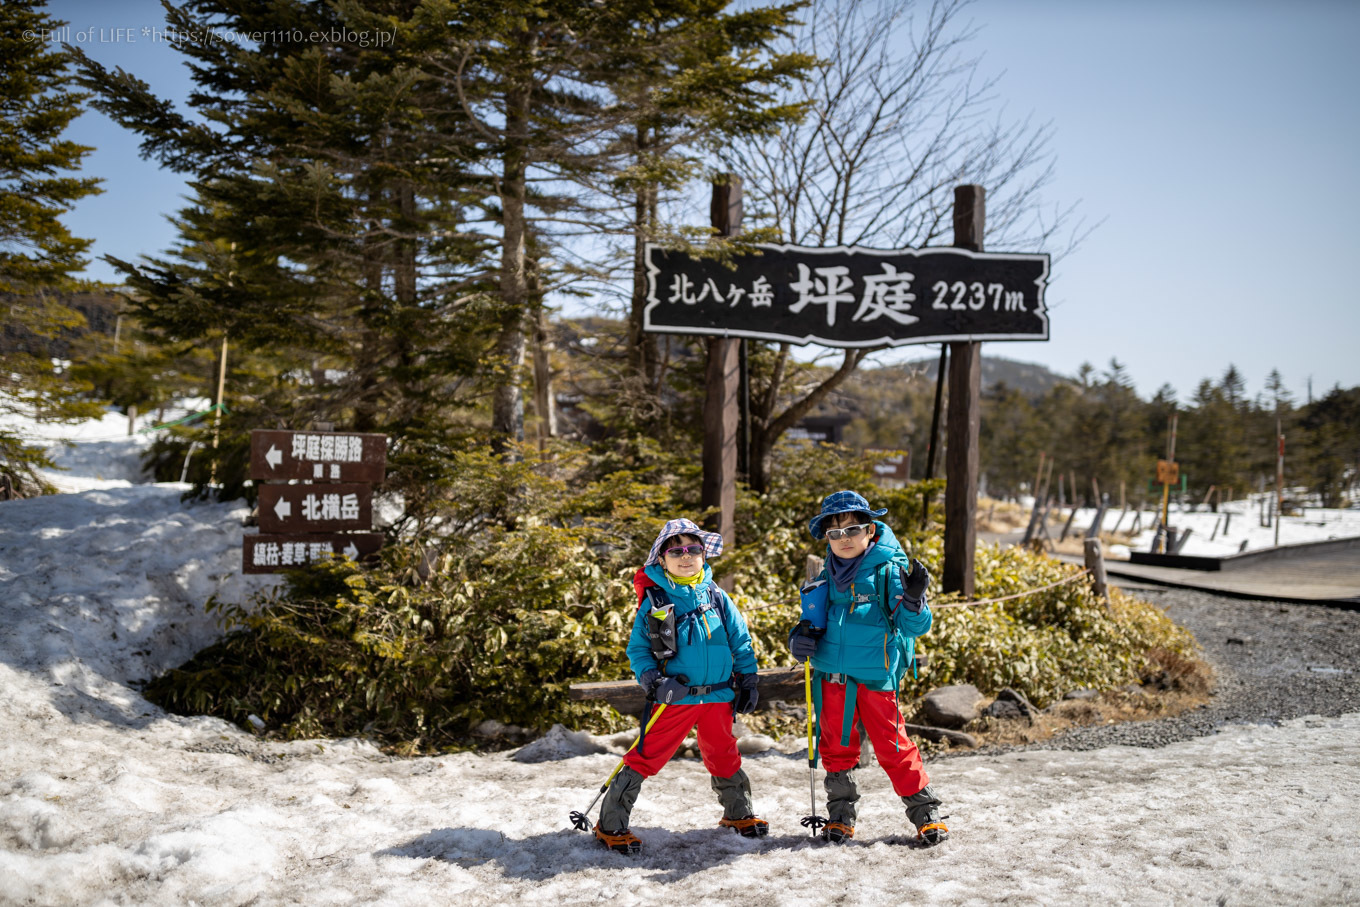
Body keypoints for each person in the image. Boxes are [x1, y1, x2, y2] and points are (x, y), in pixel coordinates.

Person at [592, 518, 767, 854]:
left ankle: (738, 813)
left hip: (718, 694)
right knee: (647, 755)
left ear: (703, 554)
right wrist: (653, 681)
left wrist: (748, 679)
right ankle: (611, 824)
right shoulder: (655, 599)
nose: (686, 556)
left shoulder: (717, 595)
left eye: (693, 549)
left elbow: (740, 640)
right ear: (662, 558)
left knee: (724, 754)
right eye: (677, 551)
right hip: (676, 695)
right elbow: (639, 650)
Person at [788, 490, 949, 846]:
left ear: (870, 531)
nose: (844, 539)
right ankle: (840, 816)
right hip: (831, 675)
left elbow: (915, 626)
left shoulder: (889, 569)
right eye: (835, 533)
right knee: (836, 747)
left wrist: (913, 599)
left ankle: (926, 813)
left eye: (852, 529)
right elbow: (807, 624)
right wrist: (797, 640)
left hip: (877, 675)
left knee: (893, 745)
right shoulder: (824, 574)